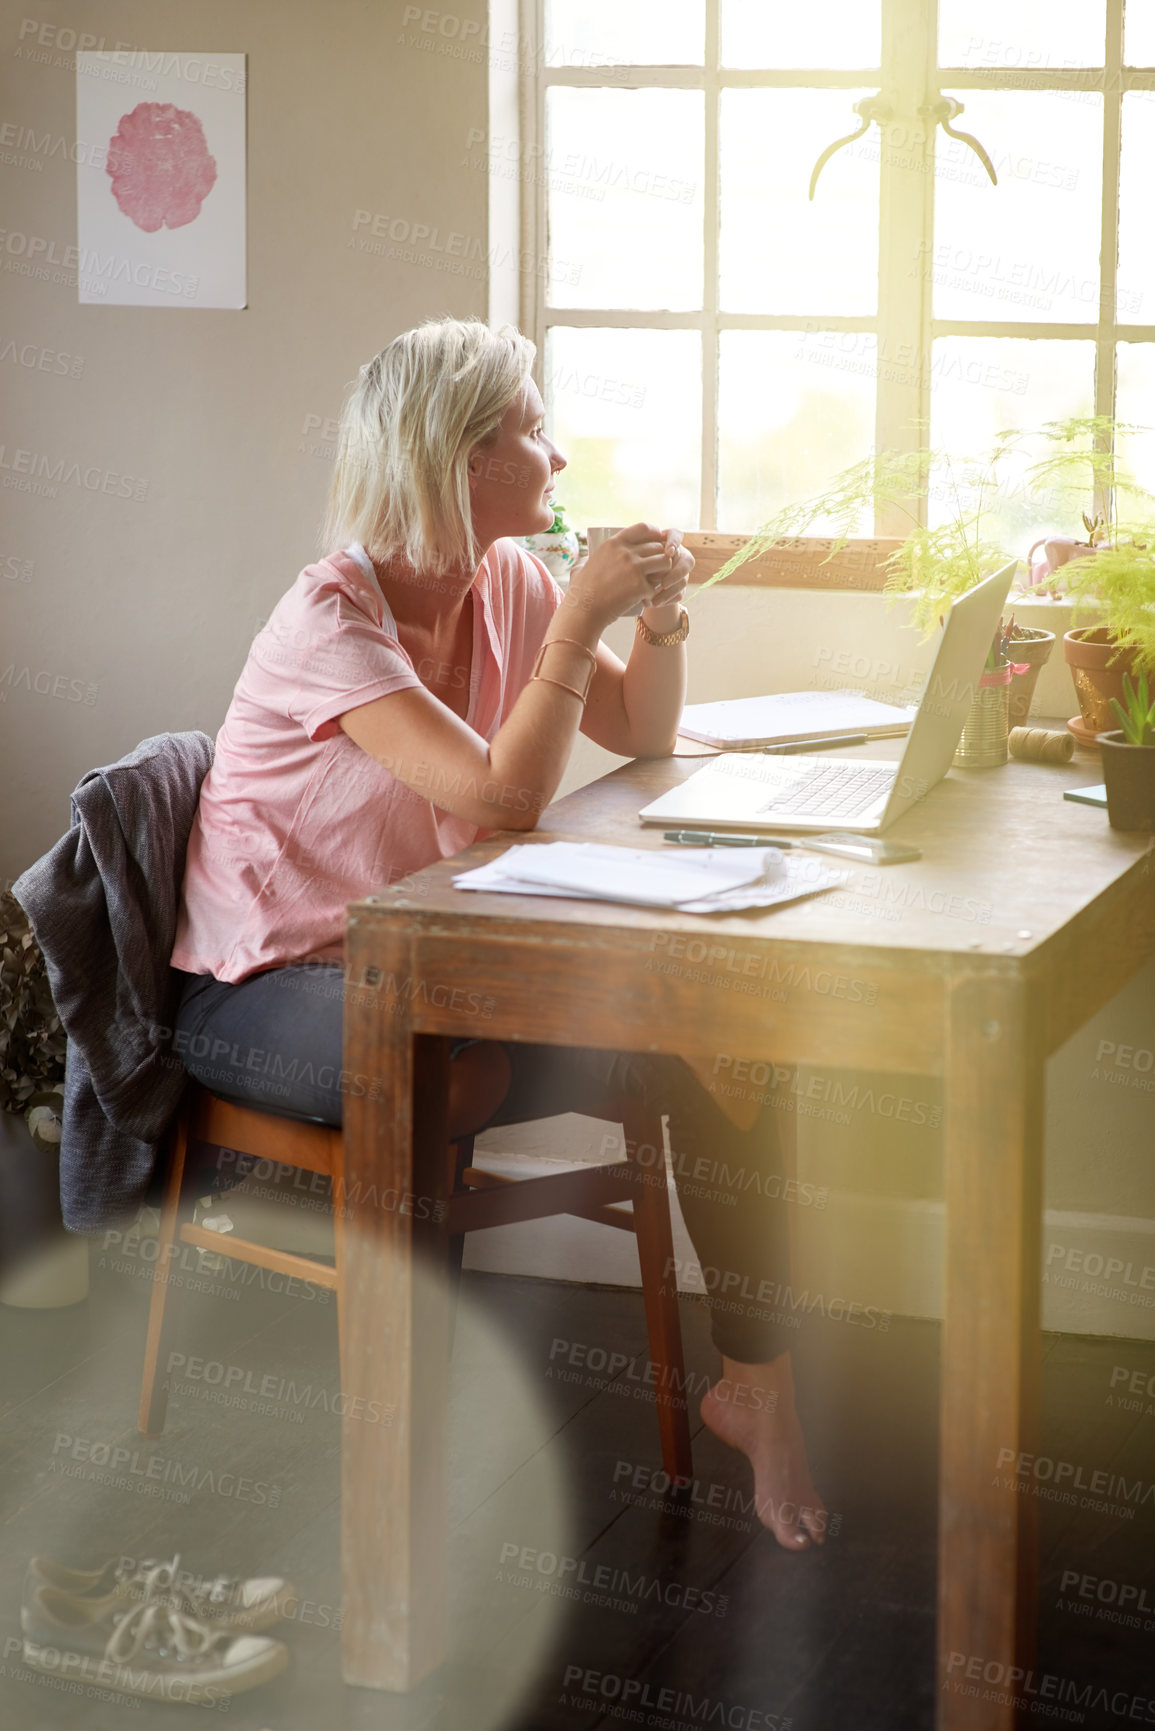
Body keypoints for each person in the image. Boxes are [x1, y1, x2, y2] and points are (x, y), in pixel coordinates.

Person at [171, 317, 826, 1549]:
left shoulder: (507, 580)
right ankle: (403, 1476)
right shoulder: (333, 621)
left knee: (727, 1039)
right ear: (463, 459)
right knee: (449, 1066)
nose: (560, 456)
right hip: (268, 985)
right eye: (534, 429)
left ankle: (757, 1389)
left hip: (428, 962)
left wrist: (660, 623)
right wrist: (580, 623)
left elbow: (639, 735)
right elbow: (503, 800)